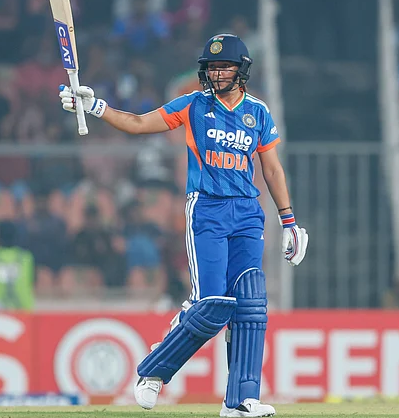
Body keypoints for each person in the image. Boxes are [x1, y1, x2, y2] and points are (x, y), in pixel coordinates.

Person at [59, 34, 309, 417]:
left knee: (251, 304)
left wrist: (288, 220)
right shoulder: (193, 105)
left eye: (224, 67)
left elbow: (272, 169)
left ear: (241, 70)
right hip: (207, 209)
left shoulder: (258, 112)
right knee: (211, 305)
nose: (216, 73)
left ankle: (240, 401)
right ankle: (154, 371)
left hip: (247, 212)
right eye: (211, 67)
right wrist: (95, 106)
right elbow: (139, 124)